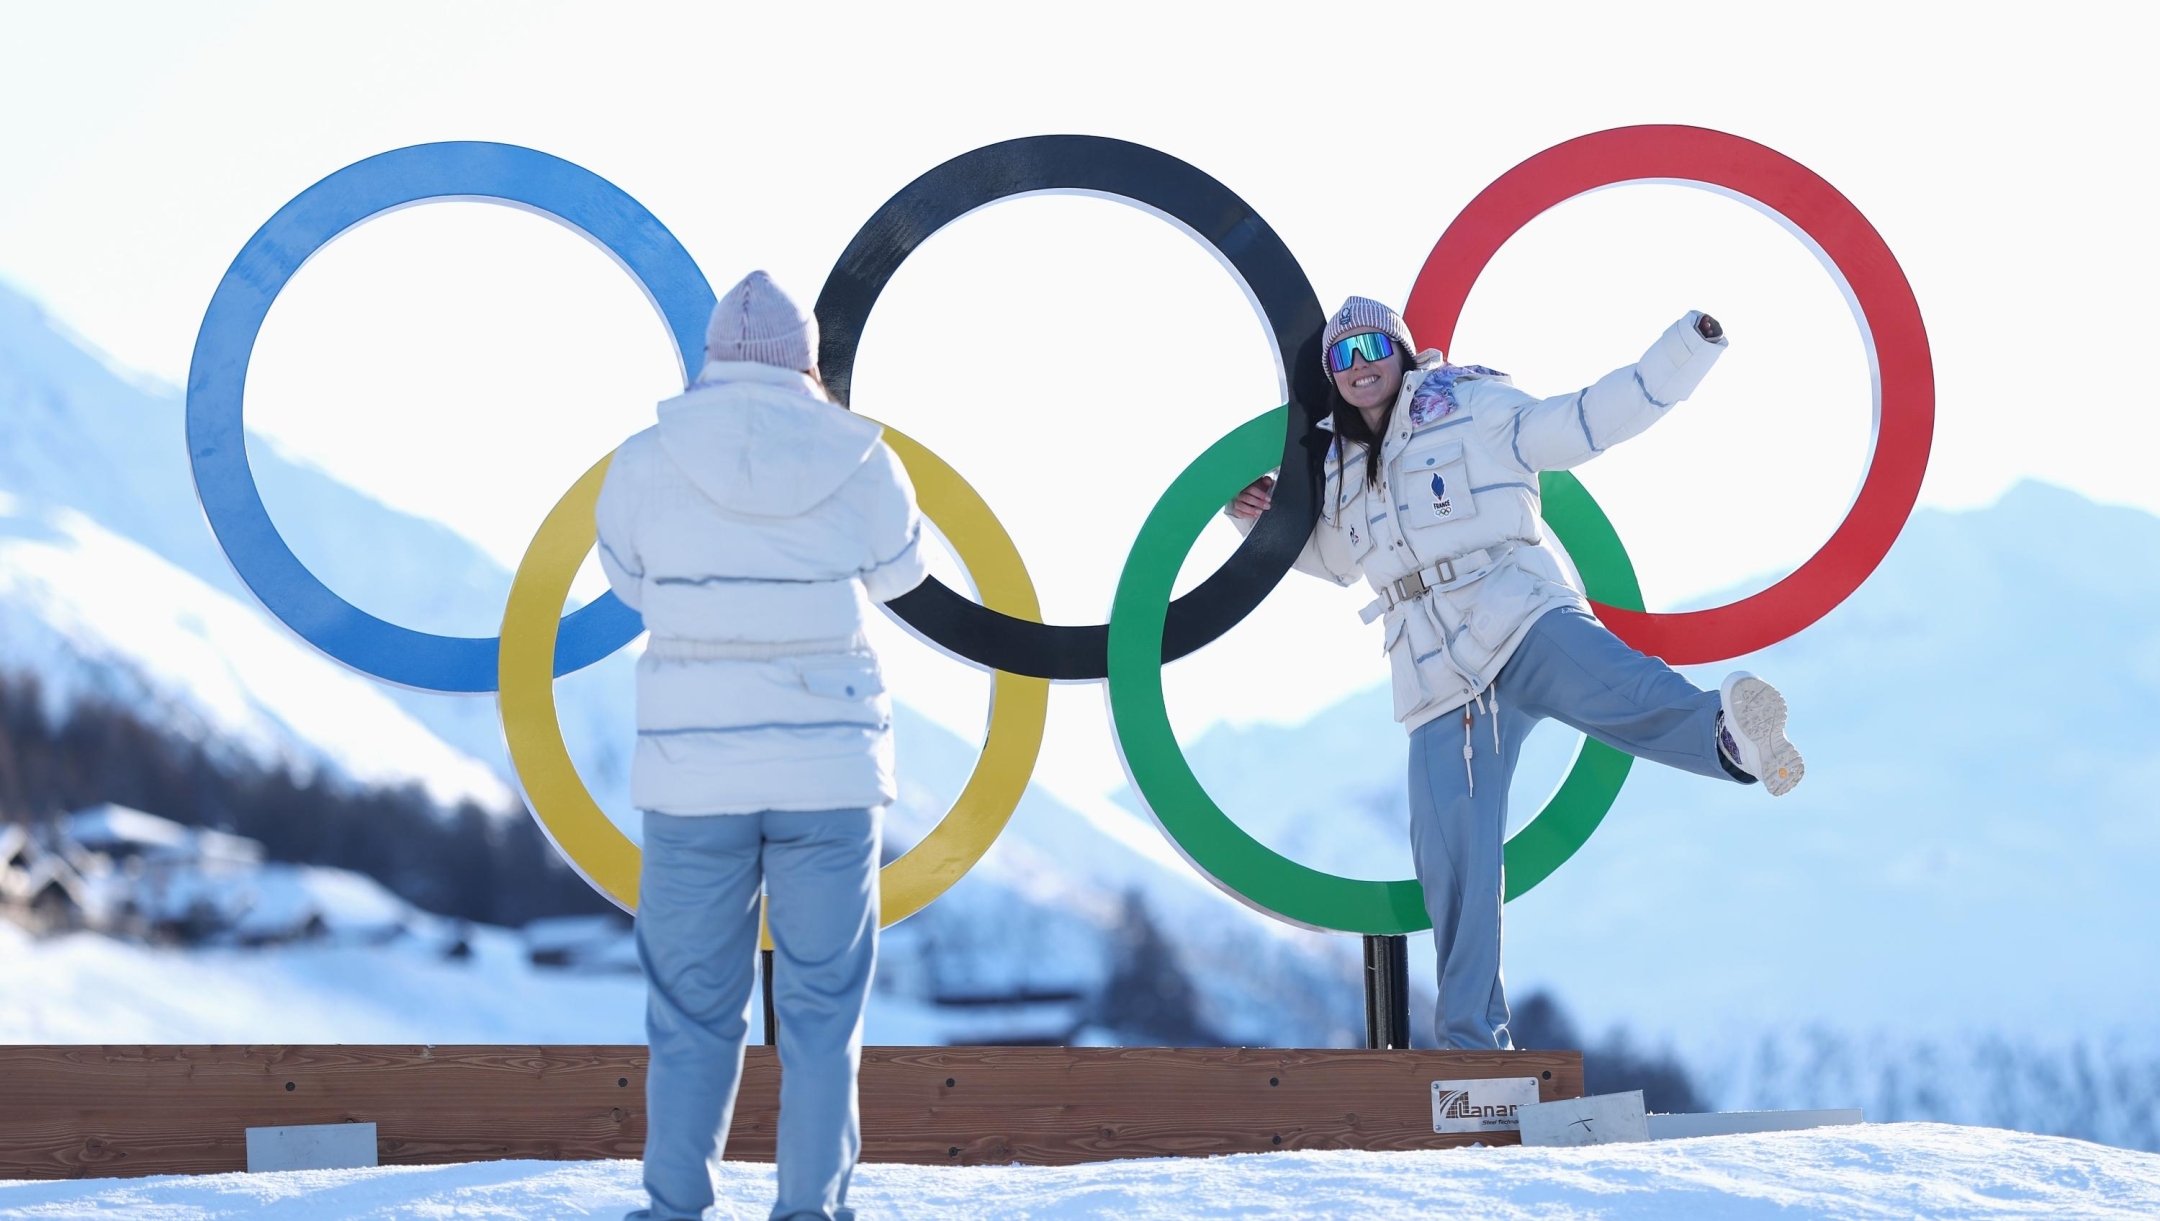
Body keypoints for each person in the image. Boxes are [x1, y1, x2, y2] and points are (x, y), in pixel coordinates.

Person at [1228, 297, 1803, 1052]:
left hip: (1519, 613)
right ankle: (1473, 1052)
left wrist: (1685, 351)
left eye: (1373, 343)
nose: (1359, 362)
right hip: (1437, 684)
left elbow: (1590, 419)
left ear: (1402, 350)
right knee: (1454, 865)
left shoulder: (1469, 402)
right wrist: (1258, 520)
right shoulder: (1337, 469)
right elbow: (1336, 561)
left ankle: (1731, 737)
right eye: (1341, 355)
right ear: (1331, 375)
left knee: (1622, 690)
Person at [597, 270, 927, 1221]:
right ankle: (809, 1207)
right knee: (825, 1013)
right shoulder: (863, 456)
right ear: (808, 363)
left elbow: (628, 582)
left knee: (691, 1011)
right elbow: (905, 571)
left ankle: (674, 1204)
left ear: (710, 357)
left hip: (692, 771)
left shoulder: (644, 459)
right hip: (828, 771)